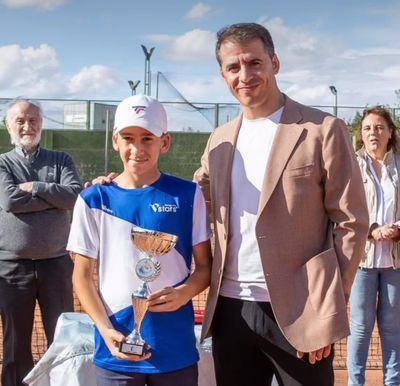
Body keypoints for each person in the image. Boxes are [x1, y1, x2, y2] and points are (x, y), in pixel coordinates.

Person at [193, 23, 369, 386]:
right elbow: (197, 198)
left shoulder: (324, 129)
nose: (245, 75)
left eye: (254, 62)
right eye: (233, 67)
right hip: (231, 310)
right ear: (223, 74)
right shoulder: (219, 140)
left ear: (274, 62)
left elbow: (352, 222)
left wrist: (325, 308)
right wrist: (127, 183)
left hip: (302, 312)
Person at [67, 94, 212, 386]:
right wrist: (106, 332)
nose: (137, 148)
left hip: (175, 349)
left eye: (147, 138)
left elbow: (206, 267)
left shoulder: (188, 194)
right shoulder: (93, 199)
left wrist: (184, 293)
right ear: (115, 141)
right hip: (116, 349)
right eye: (128, 138)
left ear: (165, 142)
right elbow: (81, 277)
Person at [0, 98, 82, 386]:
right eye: (20, 120)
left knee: (63, 337)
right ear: (8, 125)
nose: (27, 125)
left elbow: (74, 196)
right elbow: (10, 200)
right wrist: (53, 198)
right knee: (15, 344)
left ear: (42, 124)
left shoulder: (61, 160)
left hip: (56, 265)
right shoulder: (1, 163)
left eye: (33, 119)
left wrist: (36, 187)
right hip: (11, 267)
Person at [347, 107, 400, 386]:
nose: (373, 133)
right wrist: (370, 230)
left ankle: (393, 382)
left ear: (390, 133)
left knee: (392, 329)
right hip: (361, 261)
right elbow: (344, 209)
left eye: (379, 127)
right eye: (367, 128)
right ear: (361, 135)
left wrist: (397, 228)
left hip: (395, 262)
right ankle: (356, 383)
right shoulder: (350, 166)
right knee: (360, 328)